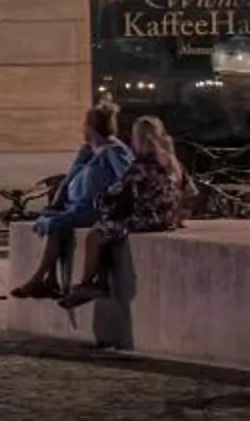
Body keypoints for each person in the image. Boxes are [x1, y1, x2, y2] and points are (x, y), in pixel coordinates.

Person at [61, 115, 188, 307]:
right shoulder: (173, 163)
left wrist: (100, 200)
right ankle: (100, 282)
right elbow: (190, 191)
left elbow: (117, 191)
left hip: (147, 220)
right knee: (109, 231)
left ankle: (87, 284)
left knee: (96, 234)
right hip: (167, 219)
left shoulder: (141, 165)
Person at [9, 107, 135, 297]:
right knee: (48, 220)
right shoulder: (87, 151)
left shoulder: (114, 151)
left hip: (94, 209)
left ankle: (38, 278)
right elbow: (68, 179)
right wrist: (55, 205)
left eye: (84, 125)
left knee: (55, 224)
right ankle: (50, 281)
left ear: (92, 127)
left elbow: (127, 179)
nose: (82, 129)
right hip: (74, 207)